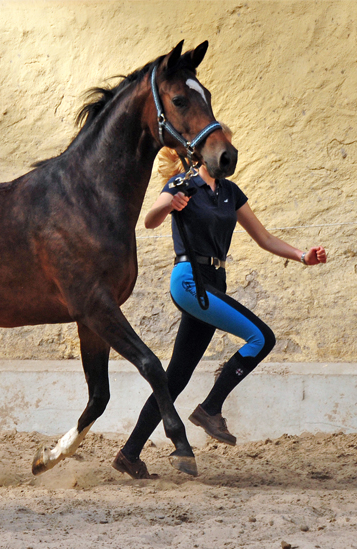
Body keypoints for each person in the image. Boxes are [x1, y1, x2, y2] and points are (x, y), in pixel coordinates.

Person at [112, 126, 327, 479]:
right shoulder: (184, 185)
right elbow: (150, 221)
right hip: (189, 280)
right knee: (262, 338)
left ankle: (129, 454)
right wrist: (170, 203)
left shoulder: (230, 192)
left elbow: (264, 237)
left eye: (228, 143)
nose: (226, 149)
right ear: (201, 151)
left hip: (214, 282)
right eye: (218, 144)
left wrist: (304, 256)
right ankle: (210, 408)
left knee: (175, 378)